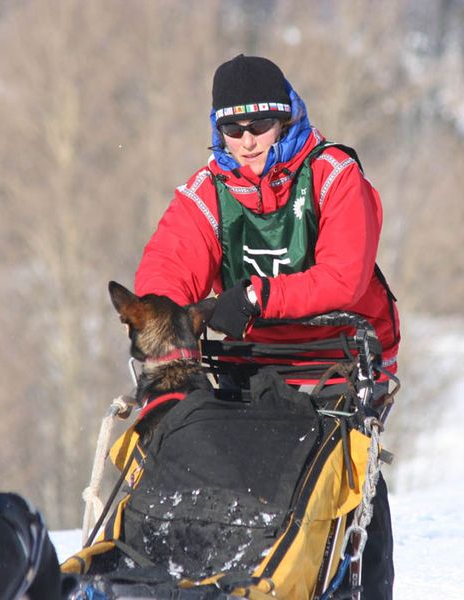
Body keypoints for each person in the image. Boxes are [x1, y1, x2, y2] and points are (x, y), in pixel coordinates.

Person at [134, 54, 399, 599]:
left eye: (260, 126)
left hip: (339, 357)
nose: (248, 140)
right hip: (248, 360)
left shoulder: (334, 177)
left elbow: (342, 279)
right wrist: (162, 321)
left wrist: (255, 297)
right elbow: (168, 265)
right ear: (218, 131)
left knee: (342, 479)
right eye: (233, 128)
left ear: (285, 120)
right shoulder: (208, 193)